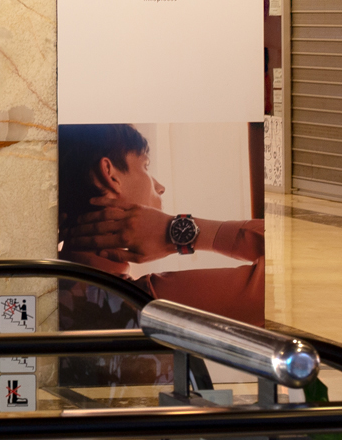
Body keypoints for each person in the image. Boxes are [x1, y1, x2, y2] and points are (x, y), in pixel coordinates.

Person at [59, 123, 264, 324]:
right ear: (110, 174)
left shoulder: (51, 285)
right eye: (145, 166)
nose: (160, 187)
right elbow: (281, 278)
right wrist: (172, 230)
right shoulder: (145, 303)